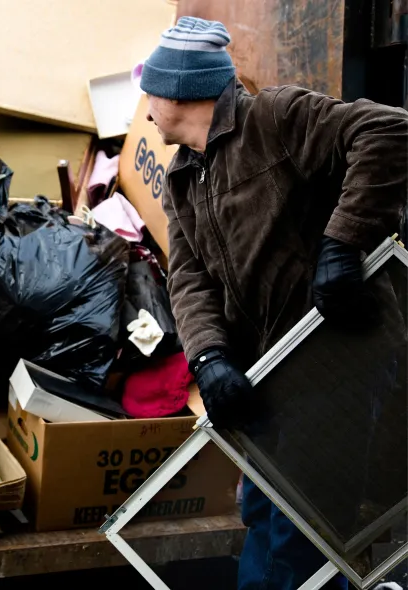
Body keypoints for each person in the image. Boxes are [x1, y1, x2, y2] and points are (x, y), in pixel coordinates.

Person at [138, 16, 407, 590]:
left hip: (334, 362)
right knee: (264, 517)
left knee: (299, 536)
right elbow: (188, 279)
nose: (145, 105)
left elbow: (388, 131)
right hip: (268, 377)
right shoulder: (184, 176)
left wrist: (342, 242)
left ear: (176, 89)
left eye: (148, 90)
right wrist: (210, 359)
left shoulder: (274, 118)